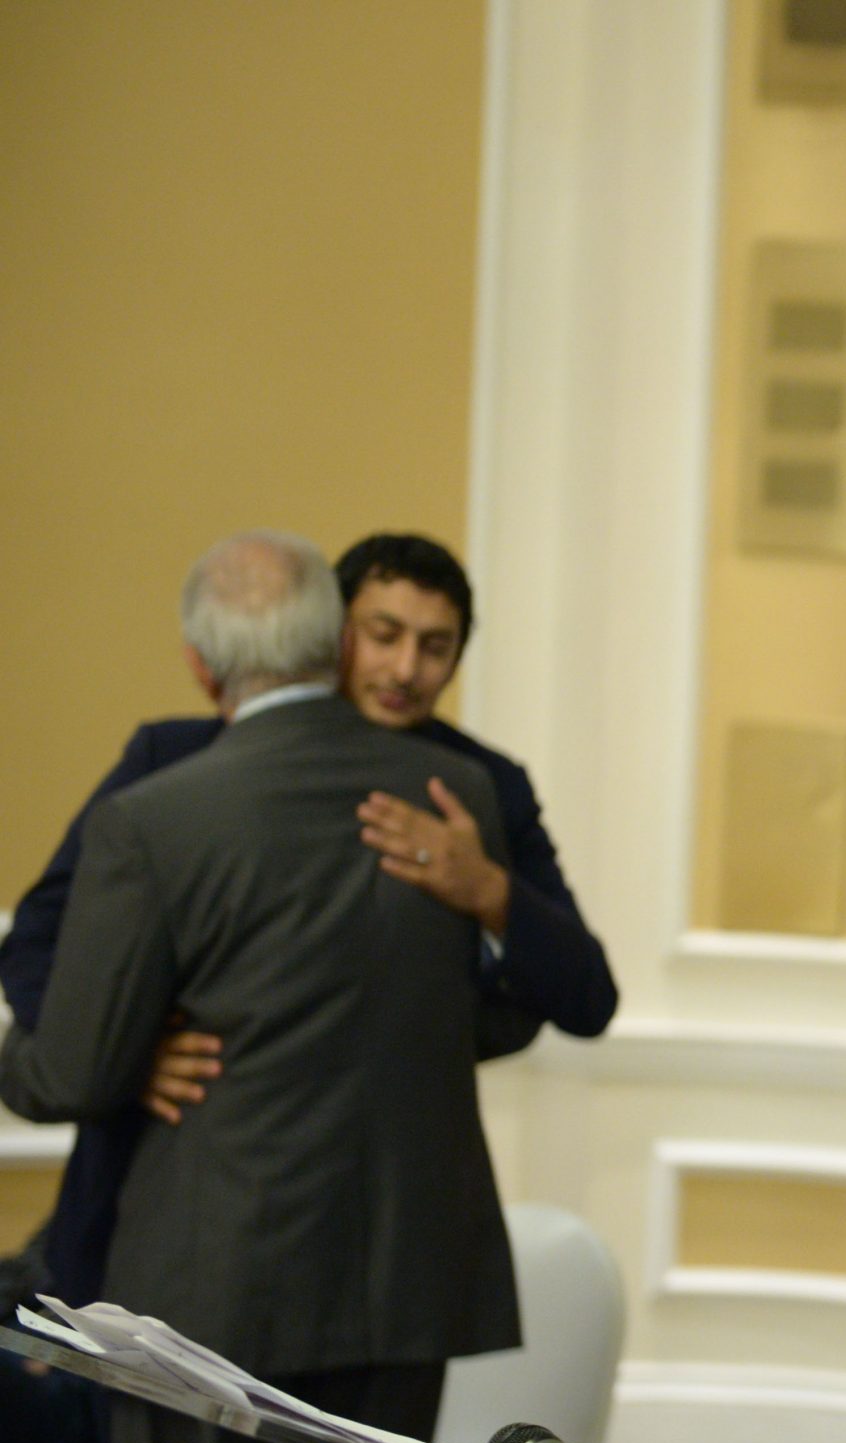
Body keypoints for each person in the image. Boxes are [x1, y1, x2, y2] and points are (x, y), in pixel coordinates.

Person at [0, 531, 523, 1443]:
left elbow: (65, 1071)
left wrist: (92, 1054)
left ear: (201, 667)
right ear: (334, 642)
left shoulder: (157, 816)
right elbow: (494, 1018)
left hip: (206, 1284)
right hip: (402, 1274)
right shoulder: (459, 796)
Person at [0, 530, 615, 1312]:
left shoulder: (480, 788)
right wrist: (127, 1048)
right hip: (166, 1200)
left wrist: (490, 889)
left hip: (382, 1231)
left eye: (436, 646)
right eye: (383, 635)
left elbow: (586, 996)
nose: (404, 669)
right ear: (333, 634)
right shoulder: (177, 756)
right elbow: (39, 937)